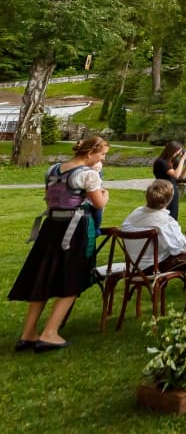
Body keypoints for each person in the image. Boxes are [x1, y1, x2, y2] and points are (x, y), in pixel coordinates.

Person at [9, 136, 110, 352]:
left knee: (44, 276)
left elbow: (49, 197)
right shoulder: (88, 174)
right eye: (102, 154)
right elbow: (99, 204)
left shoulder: (54, 170)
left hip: (51, 226)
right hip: (74, 230)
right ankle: (50, 333)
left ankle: (28, 333)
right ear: (90, 153)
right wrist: (104, 193)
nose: (103, 158)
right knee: (72, 278)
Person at [120, 179, 186, 270]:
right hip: (155, 266)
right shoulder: (165, 221)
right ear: (169, 200)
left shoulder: (134, 215)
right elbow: (180, 248)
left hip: (134, 266)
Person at [151, 140, 186, 221]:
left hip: (172, 192)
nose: (179, 154)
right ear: (172, 150)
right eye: (179, 151)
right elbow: (175, 175)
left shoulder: (172, 163)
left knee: (173, 216)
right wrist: (183, 159)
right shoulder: (160, 162)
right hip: (163, 192)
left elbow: (181, 177)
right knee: (163, 216)